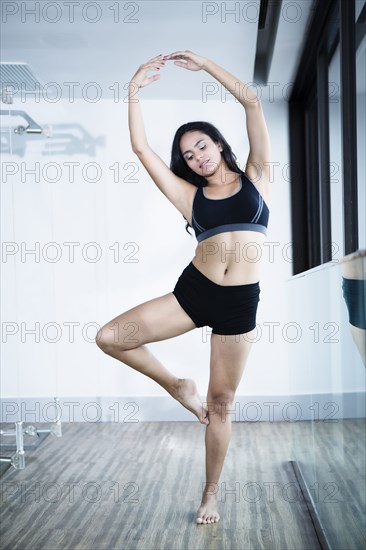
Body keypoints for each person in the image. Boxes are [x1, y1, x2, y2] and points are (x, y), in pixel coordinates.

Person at [96, 50, 272, 525]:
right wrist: (133, 90)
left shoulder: (257, 178)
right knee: (110, 337)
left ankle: (210, 494)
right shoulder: (188, 196)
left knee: (221, 405)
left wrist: (207, 65)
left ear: (218, 143)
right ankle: (176, 385)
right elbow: (141, 149)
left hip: (239, 304)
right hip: (196, 292)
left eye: (202, 146)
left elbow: (252, 102)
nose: (196, 157)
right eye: (189, 155)